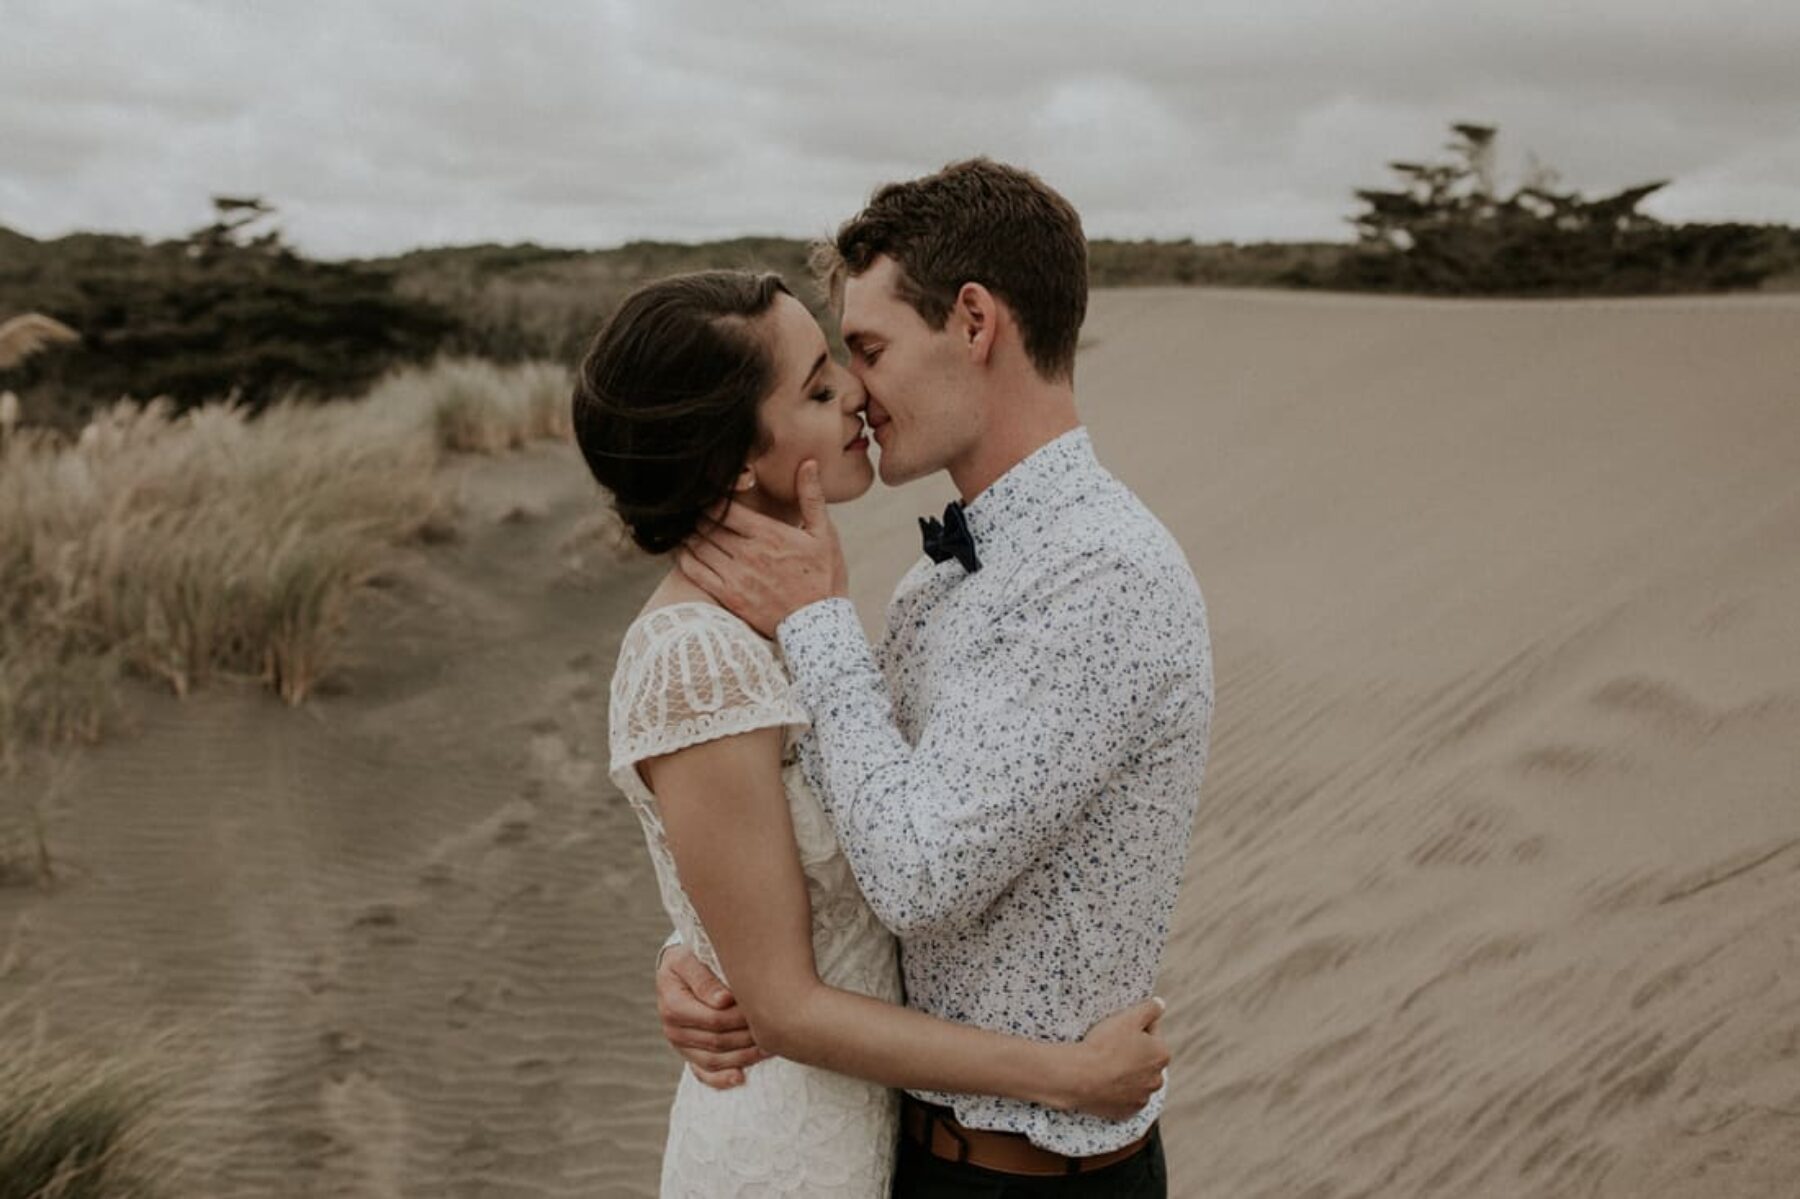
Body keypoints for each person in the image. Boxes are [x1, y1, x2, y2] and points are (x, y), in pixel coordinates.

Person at [661, 158, 1213, 1196]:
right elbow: (843, 822)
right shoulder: (941, 577)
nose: (854, 395)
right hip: (914, 1152)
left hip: (1033, 1174)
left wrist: (819, 617)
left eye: (867, 349)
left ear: (973, 321)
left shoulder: (1102, 576)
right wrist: (704, 952)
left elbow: (917, 873)